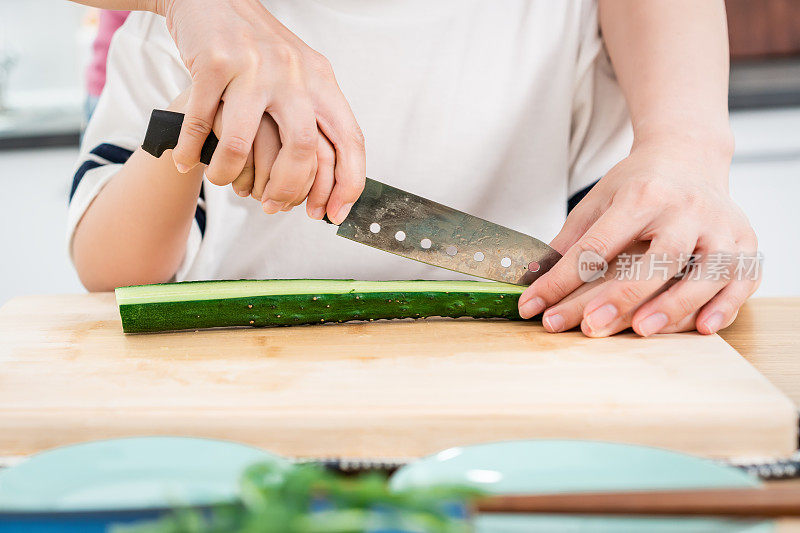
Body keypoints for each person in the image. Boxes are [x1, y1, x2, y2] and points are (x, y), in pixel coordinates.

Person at [67, 0, 760, 338]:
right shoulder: (187, 36)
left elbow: (626, 257)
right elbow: (108, 268)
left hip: (512, 402)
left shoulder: (564, 22)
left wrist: (701, 265)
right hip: (233, 391)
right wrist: (197, 128)